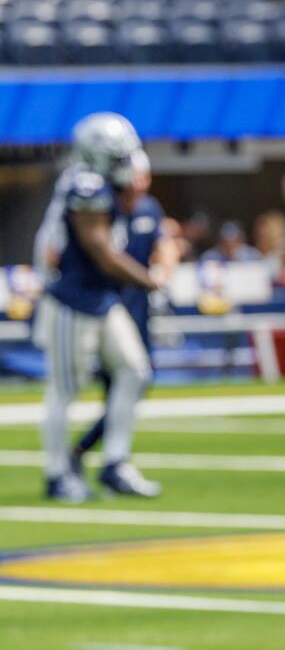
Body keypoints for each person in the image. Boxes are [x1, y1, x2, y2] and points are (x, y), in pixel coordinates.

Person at [32, 113, 163, 503]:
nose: (128, 162)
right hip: (73, 300)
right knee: (65, 389)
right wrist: (150, 280)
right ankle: (57, 474)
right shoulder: (84, 185)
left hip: (102, 299)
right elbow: (102, 251)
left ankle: (115, 463)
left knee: (135, 371)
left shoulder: (104, 184)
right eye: (120, 155)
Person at [69, 149, 179, 497]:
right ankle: (88, 458)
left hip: (135, 308)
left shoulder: (148, 209)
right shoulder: (104, 204)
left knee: (135, 379)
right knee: (115, 382)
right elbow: (99, 253)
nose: (139, 183)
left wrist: (162, 272)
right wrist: (147, 278)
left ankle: (102, 457)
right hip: (106, 306)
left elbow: (166, 244)